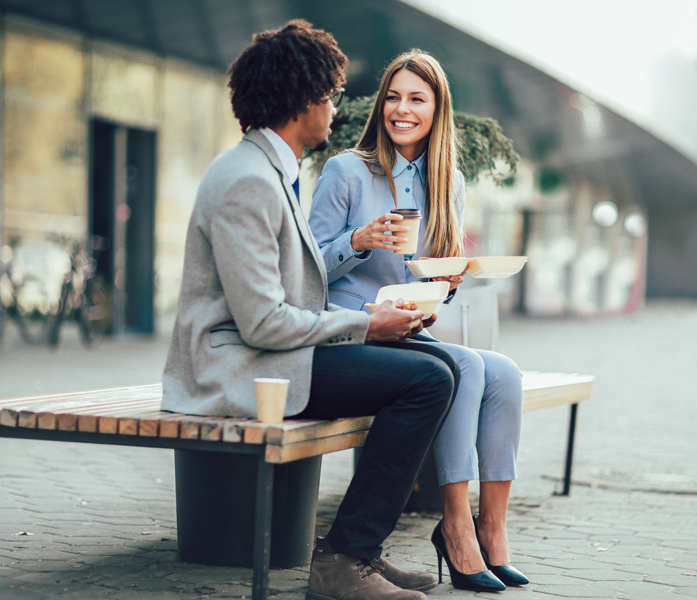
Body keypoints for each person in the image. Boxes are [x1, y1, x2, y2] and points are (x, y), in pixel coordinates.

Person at [161, 22, 460, 600]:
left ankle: (357, 552)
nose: (334, 109)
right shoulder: (247, 180)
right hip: (239, 365)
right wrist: (367, 325)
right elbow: (263, 322)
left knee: (437, 371)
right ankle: (346, 558)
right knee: (425, 381)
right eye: (331, 96)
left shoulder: (272, 170)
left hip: (275, 357)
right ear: (303, 102)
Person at [308, 49, 528, 591]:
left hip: (406, 329)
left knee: (505, 374)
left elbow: (427, 280)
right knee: (467, 371)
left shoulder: (444, 179)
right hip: (349, 326)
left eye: (416, 99)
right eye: (394, 97)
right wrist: (358, 242)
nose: (401, 109)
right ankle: (454, 526)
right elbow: (305, 268)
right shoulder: (346, 172)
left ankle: (491, 530)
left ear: (437, 110)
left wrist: (444, 285)